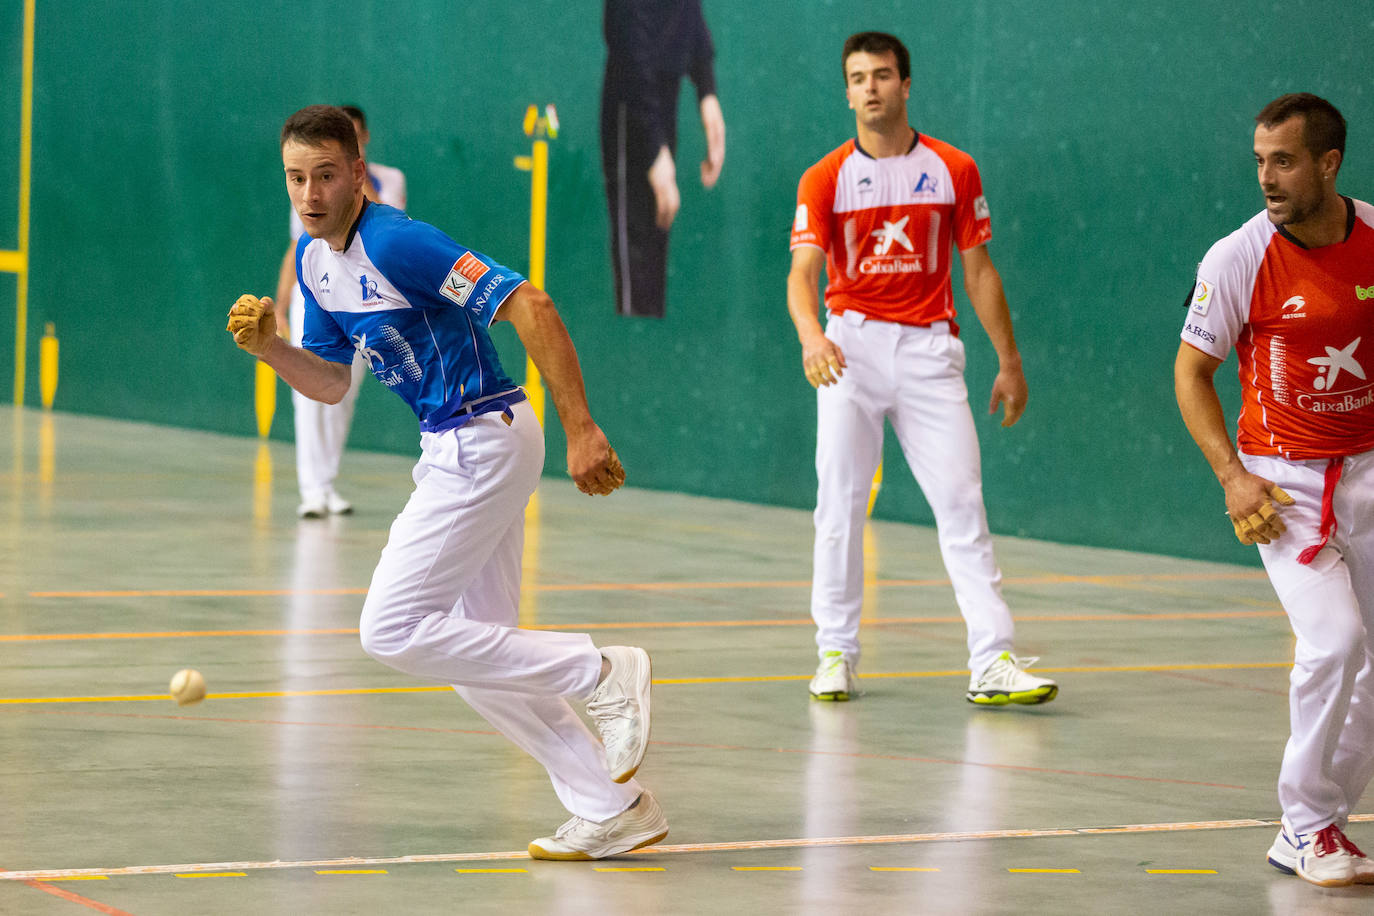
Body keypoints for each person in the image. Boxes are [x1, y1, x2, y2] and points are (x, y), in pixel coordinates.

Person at [228, 105, 667, 860]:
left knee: (391, 628)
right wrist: (272, 349)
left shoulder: (398, 240)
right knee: (475, 657)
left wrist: (582, 425)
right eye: (297, 178)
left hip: (483, 439)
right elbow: (333, 383)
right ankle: (611, 804)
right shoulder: (312, 261)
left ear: (359, 173)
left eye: (326, 175)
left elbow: (529, 301)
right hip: (452, 445)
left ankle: (603, 670)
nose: (310, 193)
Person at [786, 32, 1057, 707]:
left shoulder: (954, 169)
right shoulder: (825, 178)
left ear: (906, 85)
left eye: (882, 75)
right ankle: (835, 653)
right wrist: (811, 336)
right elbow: (802, 273)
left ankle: (992, 659)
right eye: (857, 77)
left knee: (962, 501)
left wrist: (1009, 360)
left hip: (932, 353)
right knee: (840, 504)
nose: (870, 87)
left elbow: (980, 271)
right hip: (850, 350)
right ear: (846, 91)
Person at [1174, 92, 1374, 888]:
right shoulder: (1238, 257)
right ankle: (1305, 823)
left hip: (1368, 471)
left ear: (1328, 163)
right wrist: (1233, 476)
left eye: (1283, 161)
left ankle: (1325, 823)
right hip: (1281, 489)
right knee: (1335, 641)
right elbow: (1191, 373)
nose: (1267, 176)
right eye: (1260, 160)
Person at [273, 105, 407, 518]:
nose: (310, 186)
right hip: (314, 293)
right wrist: (280, 304)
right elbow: (300, 247)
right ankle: (312, 490)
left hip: (364, 298)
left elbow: (385, 217)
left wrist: (351, 179)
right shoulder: (312, 183)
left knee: (342, 391)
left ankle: (326, 482)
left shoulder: (388, 178)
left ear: (362, 140)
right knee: (308, 395)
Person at [601, 0, 725, 318]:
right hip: (630, 103)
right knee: (637, 251)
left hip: (666, 100)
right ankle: (630, 345)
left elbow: (689, 14)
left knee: (657, 236)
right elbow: (631, 51)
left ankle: (647, 332)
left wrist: (707, 94)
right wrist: (655, 150)